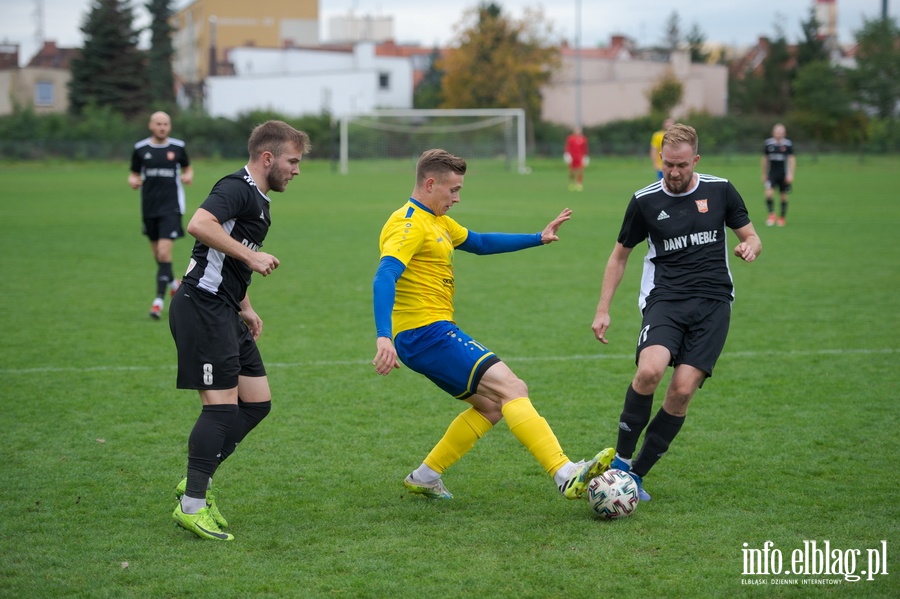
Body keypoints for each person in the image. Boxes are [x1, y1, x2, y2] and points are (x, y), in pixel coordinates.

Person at [372, 148, 613, 503]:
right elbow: (384, 276)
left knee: (491, 406)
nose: (457, 198)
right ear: (430, 183)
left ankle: (425, 476)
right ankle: (564, 473)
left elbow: (480, 242)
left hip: (428, 334)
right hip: (426, 333)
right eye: (452, 190)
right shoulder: (408, 223)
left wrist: (537, 237)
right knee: (513, 387)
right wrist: (383, 336)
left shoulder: (437, 221)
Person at [591, 123, 761, 502]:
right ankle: (620, 460)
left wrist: (750, 247)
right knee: (650, 370)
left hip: (714, 303)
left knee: (682, 391)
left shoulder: (720, 190)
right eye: (668, 164)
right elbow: (619, 257)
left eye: (682, 165)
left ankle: (636, 476)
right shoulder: (645, 201)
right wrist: (603, 309)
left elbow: (751, 235)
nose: (674, 172)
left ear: (695, 160)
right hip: (665, 298)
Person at [169, 121, 312, 541]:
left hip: (226, 310)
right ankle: (193, 504)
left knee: (256, 402)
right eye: (292, 161)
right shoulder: (237, 186)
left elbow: (229, 256)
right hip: (201, 307)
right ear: (268, 158)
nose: (296, 170)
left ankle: (196, 481)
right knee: (221, 408)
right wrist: (251, 260)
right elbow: (199, 224)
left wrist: (246, 307)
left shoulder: (260, 200)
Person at [128, 111, 194, 320]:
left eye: (166, 124)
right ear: (151, 125)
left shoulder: (178, 147)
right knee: (159, 256)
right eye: (158, 124)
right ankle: (174, 284)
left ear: (170, 126)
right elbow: (134, 173)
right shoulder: (140, 149)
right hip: (149, 209)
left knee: (164, 254)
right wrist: (133, 181)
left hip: (171, 208)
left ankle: (158, 302)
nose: (162, 127)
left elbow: (188, 168)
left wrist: (187, 176)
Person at [762, 123, 795, 227]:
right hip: (772, 174)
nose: (779, 134)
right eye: (777, 132)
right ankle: (771, 214)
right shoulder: (768, 144)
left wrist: (790, 174)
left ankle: (782, 217)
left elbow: (792, 160)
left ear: (784, 133)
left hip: (783, 174)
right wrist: (764, 174)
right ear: (773, 133)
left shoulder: (788, 145)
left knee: (783, 196)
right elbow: (764, 160)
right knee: (768, 194)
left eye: (781, 132)